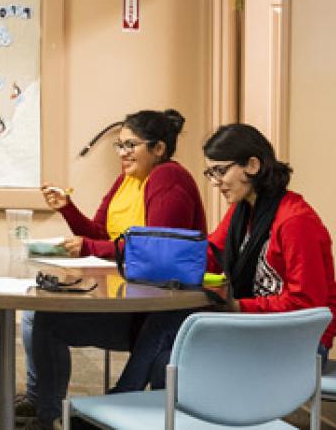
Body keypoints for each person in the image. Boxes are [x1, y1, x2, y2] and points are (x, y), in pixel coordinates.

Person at [23, 109, 207, 430]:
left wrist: (90, 247)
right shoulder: (126, 179)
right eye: (119, 146)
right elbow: (98, 233)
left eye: (130, 146)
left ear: (158, 149)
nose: (122, 154)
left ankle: (50, 414)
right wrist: (66, 208)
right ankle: (50, 412)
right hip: (130, 295)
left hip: (153, 311)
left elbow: (156, 252)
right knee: (40, 317)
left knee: (46, 322)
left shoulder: (168, 178)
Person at [119, 123, 336, 391]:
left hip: (299, 342)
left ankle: (125, 401)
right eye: (210, 173)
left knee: (171, 345)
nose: (215, 182)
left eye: (221, 171)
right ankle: (148, 410)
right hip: (258, 327)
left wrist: (238, 307)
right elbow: (208, 255)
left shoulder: (296, 221)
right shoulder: (242, 212)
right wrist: (154, 262)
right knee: (168, 342)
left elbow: (308, 307)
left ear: (252, 165)